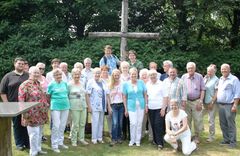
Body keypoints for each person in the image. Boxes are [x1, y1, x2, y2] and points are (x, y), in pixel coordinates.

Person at [18, 66, 49, 156]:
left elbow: (42, 96)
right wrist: (24, 113)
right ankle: (33, 153)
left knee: (39, 133)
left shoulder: (38, 83)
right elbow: (21, 100)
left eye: (37, 72)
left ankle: (38, 149)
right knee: (33, 134)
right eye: (34, 72)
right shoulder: (25, 85)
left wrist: (46, 104)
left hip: (41, 113)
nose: (36, 74)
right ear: (29, 73)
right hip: (31, 114)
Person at [0, 57, 29, 151]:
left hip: (26, 105)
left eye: (22, 64)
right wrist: (7, 104)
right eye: (19, 63)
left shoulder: (28, 75)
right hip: (13, 105)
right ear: (14, 64)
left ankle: (27, 142)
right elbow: (2, 92)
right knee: (17, 125)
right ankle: (19, 143)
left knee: (26, 124)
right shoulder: (8, 76)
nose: (21, 65)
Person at [216, 63, 240, 148]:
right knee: (223, 123)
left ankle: (233, 142)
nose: (224, 70)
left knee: (230, 124)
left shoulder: (234, 79)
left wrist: (235, 105)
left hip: (229, 105)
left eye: (225, 69)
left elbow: (237, 94)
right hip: (220, 105)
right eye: (222, 69)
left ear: (229, 70)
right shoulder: (221, 79)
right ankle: (226, 140)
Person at [181, 62, 205, 144]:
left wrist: (200, 101)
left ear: (195, 68)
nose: (190, 69)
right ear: (186, 69)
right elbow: (181, 89)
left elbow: (203, 90)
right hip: (186, 102)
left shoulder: (199, 77)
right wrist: (183, 101)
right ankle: (188, 136)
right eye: (188, 68)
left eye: (192, 68)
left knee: (197, 120)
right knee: (187, 120)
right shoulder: (184, 77)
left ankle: (197, 136)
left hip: (196, 101)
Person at [123, 67, 147, 147]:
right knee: (133, 123)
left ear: (137, 74)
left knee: (139, 123)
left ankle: (137, 140)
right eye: (132, 74)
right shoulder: (126, 84)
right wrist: (126, 109)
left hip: (141, 105)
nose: (133, 75)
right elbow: (124, 97)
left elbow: (145, 94)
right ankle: (132, 140)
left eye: (135, 74)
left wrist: (146, 105)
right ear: (129, 75)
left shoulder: (141, 82)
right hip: (131, 106)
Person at [86, 67, 111, 144]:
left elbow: (107, 94)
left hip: (103, 105)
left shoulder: (103, 82)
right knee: (95, 122)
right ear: (93, 74)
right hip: (94, 106)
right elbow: (87, 95)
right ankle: (94, 138)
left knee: (101, 122)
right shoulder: (90, 82)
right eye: (96, 73)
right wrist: (89, 106)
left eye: (98, 73)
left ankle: (100, 137)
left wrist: (108, 106)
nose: (97, 74)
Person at [47, 69, 70, 153]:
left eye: (60, 75)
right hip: (55, 106)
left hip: (65, 106)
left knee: (63, 125)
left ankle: (60, 142)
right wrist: (49, 105)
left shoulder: (64, 83)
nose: (58, 76)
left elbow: (67, 94)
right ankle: (54, 145)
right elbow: (48, 96)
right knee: (56, 125)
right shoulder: (51, 84)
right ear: (54, 76)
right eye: (57, 75)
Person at [146, 69, 167, 150]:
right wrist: (146, 105)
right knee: (153, 125)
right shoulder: (147, 84)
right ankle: (155, 140)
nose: (152, 76)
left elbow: (165, 97)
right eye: (151, 75)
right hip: (151, 108)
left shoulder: (161, 84)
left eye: (154, 75)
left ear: (156, 75)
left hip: (159, 108)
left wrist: (163, 108)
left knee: (158, 125)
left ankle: (160, 143)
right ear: (149, 76)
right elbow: (147, 96)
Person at [68, 68, 88, 146]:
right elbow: (68, 95)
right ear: (72, 75)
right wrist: (77, 95)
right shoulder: (69, 84)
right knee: (75, 124)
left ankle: (81, 139)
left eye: (78, 74)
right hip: (74, 106)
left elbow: (85, 94)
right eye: (75, 74)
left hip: (83, 105)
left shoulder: (82, 83)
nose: (77, 76)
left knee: (82, 123)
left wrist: (87, 105)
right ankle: (74, 140)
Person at [203, 65, 219, 142]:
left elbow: (217, 92)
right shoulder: (205, 78)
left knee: (210, 120)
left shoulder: (216, 80)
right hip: (204, 102)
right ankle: (198, 133)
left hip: (211, 103)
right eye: (208, 71)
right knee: (198, 117)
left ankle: (211, 136)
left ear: (214, 71)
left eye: (211, 71)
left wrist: (212, 102)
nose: (209, 72)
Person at [109, 69, 124, 146]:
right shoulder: (110, 84)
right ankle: (114, 138)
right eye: (115, 75)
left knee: (120, 123)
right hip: (114, 105)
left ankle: (119, 137)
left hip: (121, 105)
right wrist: (109, 107)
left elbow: (124, 95)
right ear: (113, 76)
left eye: (118, 75)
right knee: (115, 123)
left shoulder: (122, 84)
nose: (116, 77)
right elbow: (108, 97)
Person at [36, 62, 48, 142]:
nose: (41, 70)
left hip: (44, 102)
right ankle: (36, 137)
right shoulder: (34, 78)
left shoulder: (44, 78)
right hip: (35, 102)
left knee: (42, 120)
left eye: (43, 68)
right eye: (40, 68)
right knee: (36, 120)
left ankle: (41, 135)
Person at [120, 61, 130, 140]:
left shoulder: (131, 76)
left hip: (130, 99)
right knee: (123, 117)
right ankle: (124, 134)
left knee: (130, 118)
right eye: (123, 68)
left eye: (126, 67)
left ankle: (130, 133)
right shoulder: (119, 77)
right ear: (121, 68)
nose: (125, 69)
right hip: (121, 99)